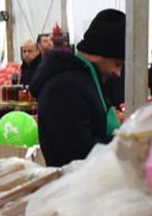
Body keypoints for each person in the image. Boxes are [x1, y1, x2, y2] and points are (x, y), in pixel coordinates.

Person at [30, 9, 126, 167]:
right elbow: (78, 154)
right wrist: (127, 142)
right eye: (117, 64)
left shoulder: (85, 80)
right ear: (99, 53)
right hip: (75, 181)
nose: (117, 72)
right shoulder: (66, 87)